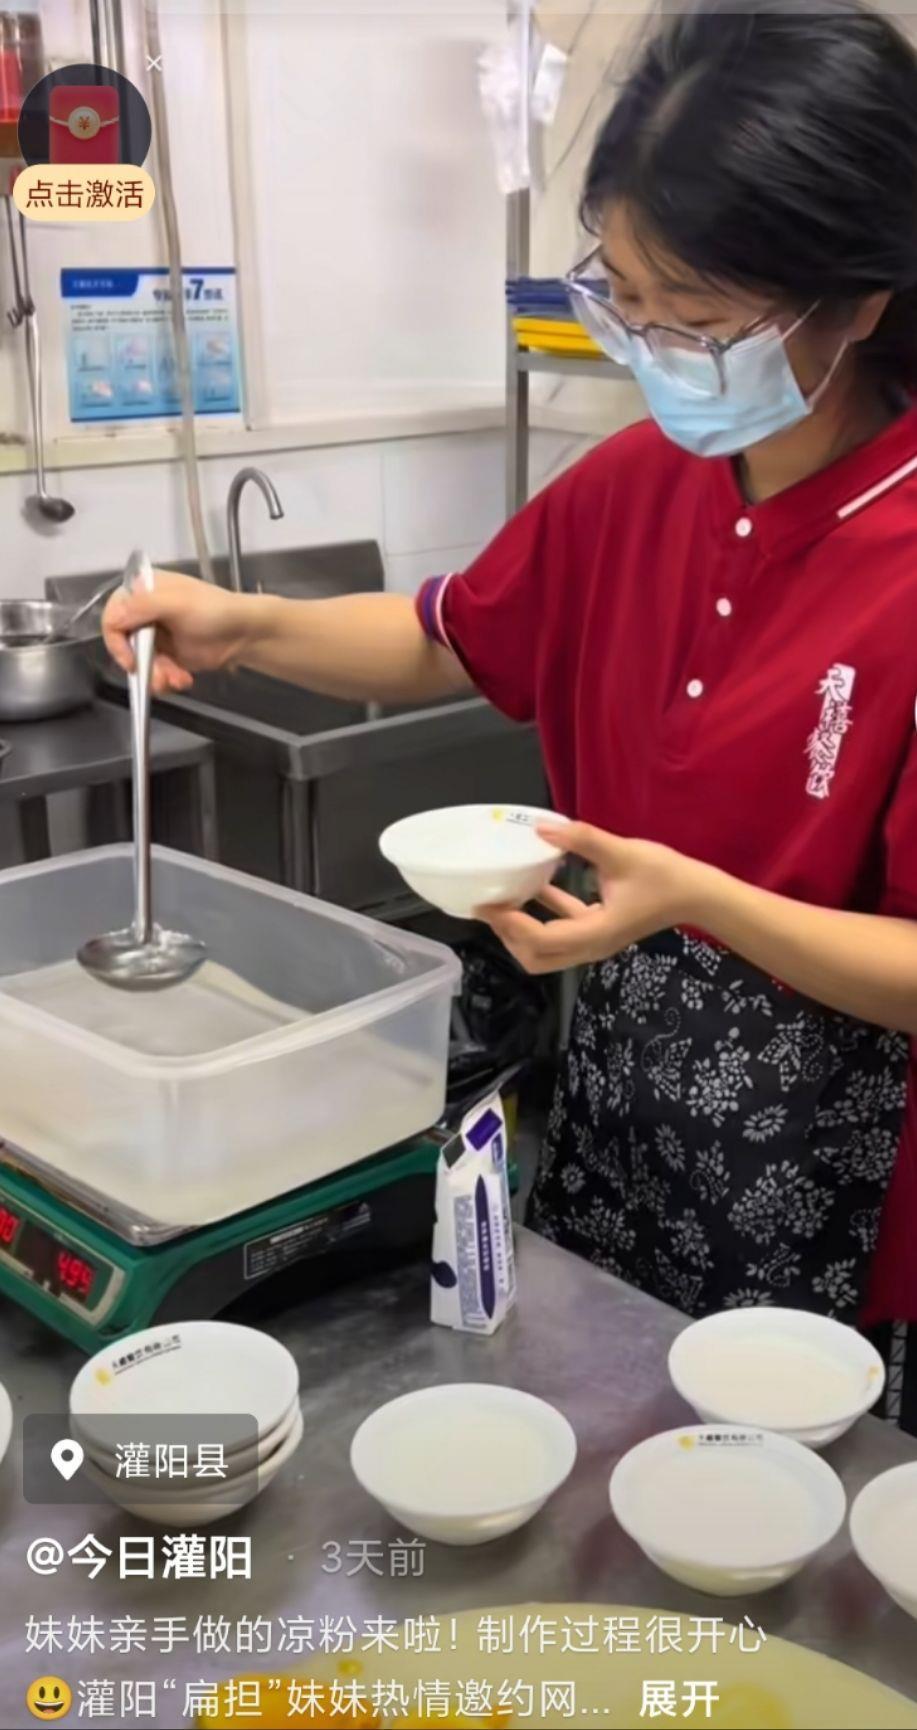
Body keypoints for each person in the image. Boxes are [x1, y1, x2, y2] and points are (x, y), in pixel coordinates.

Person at [105, 0, 917, 1430]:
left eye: (700, 321)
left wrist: (694, 900)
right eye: (627, 299)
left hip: (837, 1166)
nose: (654, 348)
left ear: (860, 301)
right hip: (613, 1113)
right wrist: (249, 624)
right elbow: (448, 636)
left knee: (792, 1498)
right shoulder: (634, 483)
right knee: (598, 1434)